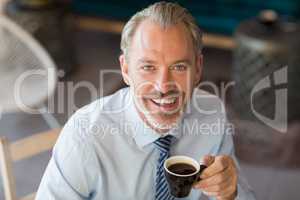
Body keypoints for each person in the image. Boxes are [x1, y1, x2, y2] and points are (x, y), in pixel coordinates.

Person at [36, 2, 256, 200]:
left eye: (179, 67)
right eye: (148, 67)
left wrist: (229, 191)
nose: (163, 86)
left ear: (198, 68)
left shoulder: (211, 111)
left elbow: (239, 192)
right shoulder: (85, 135)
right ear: (126, 69)